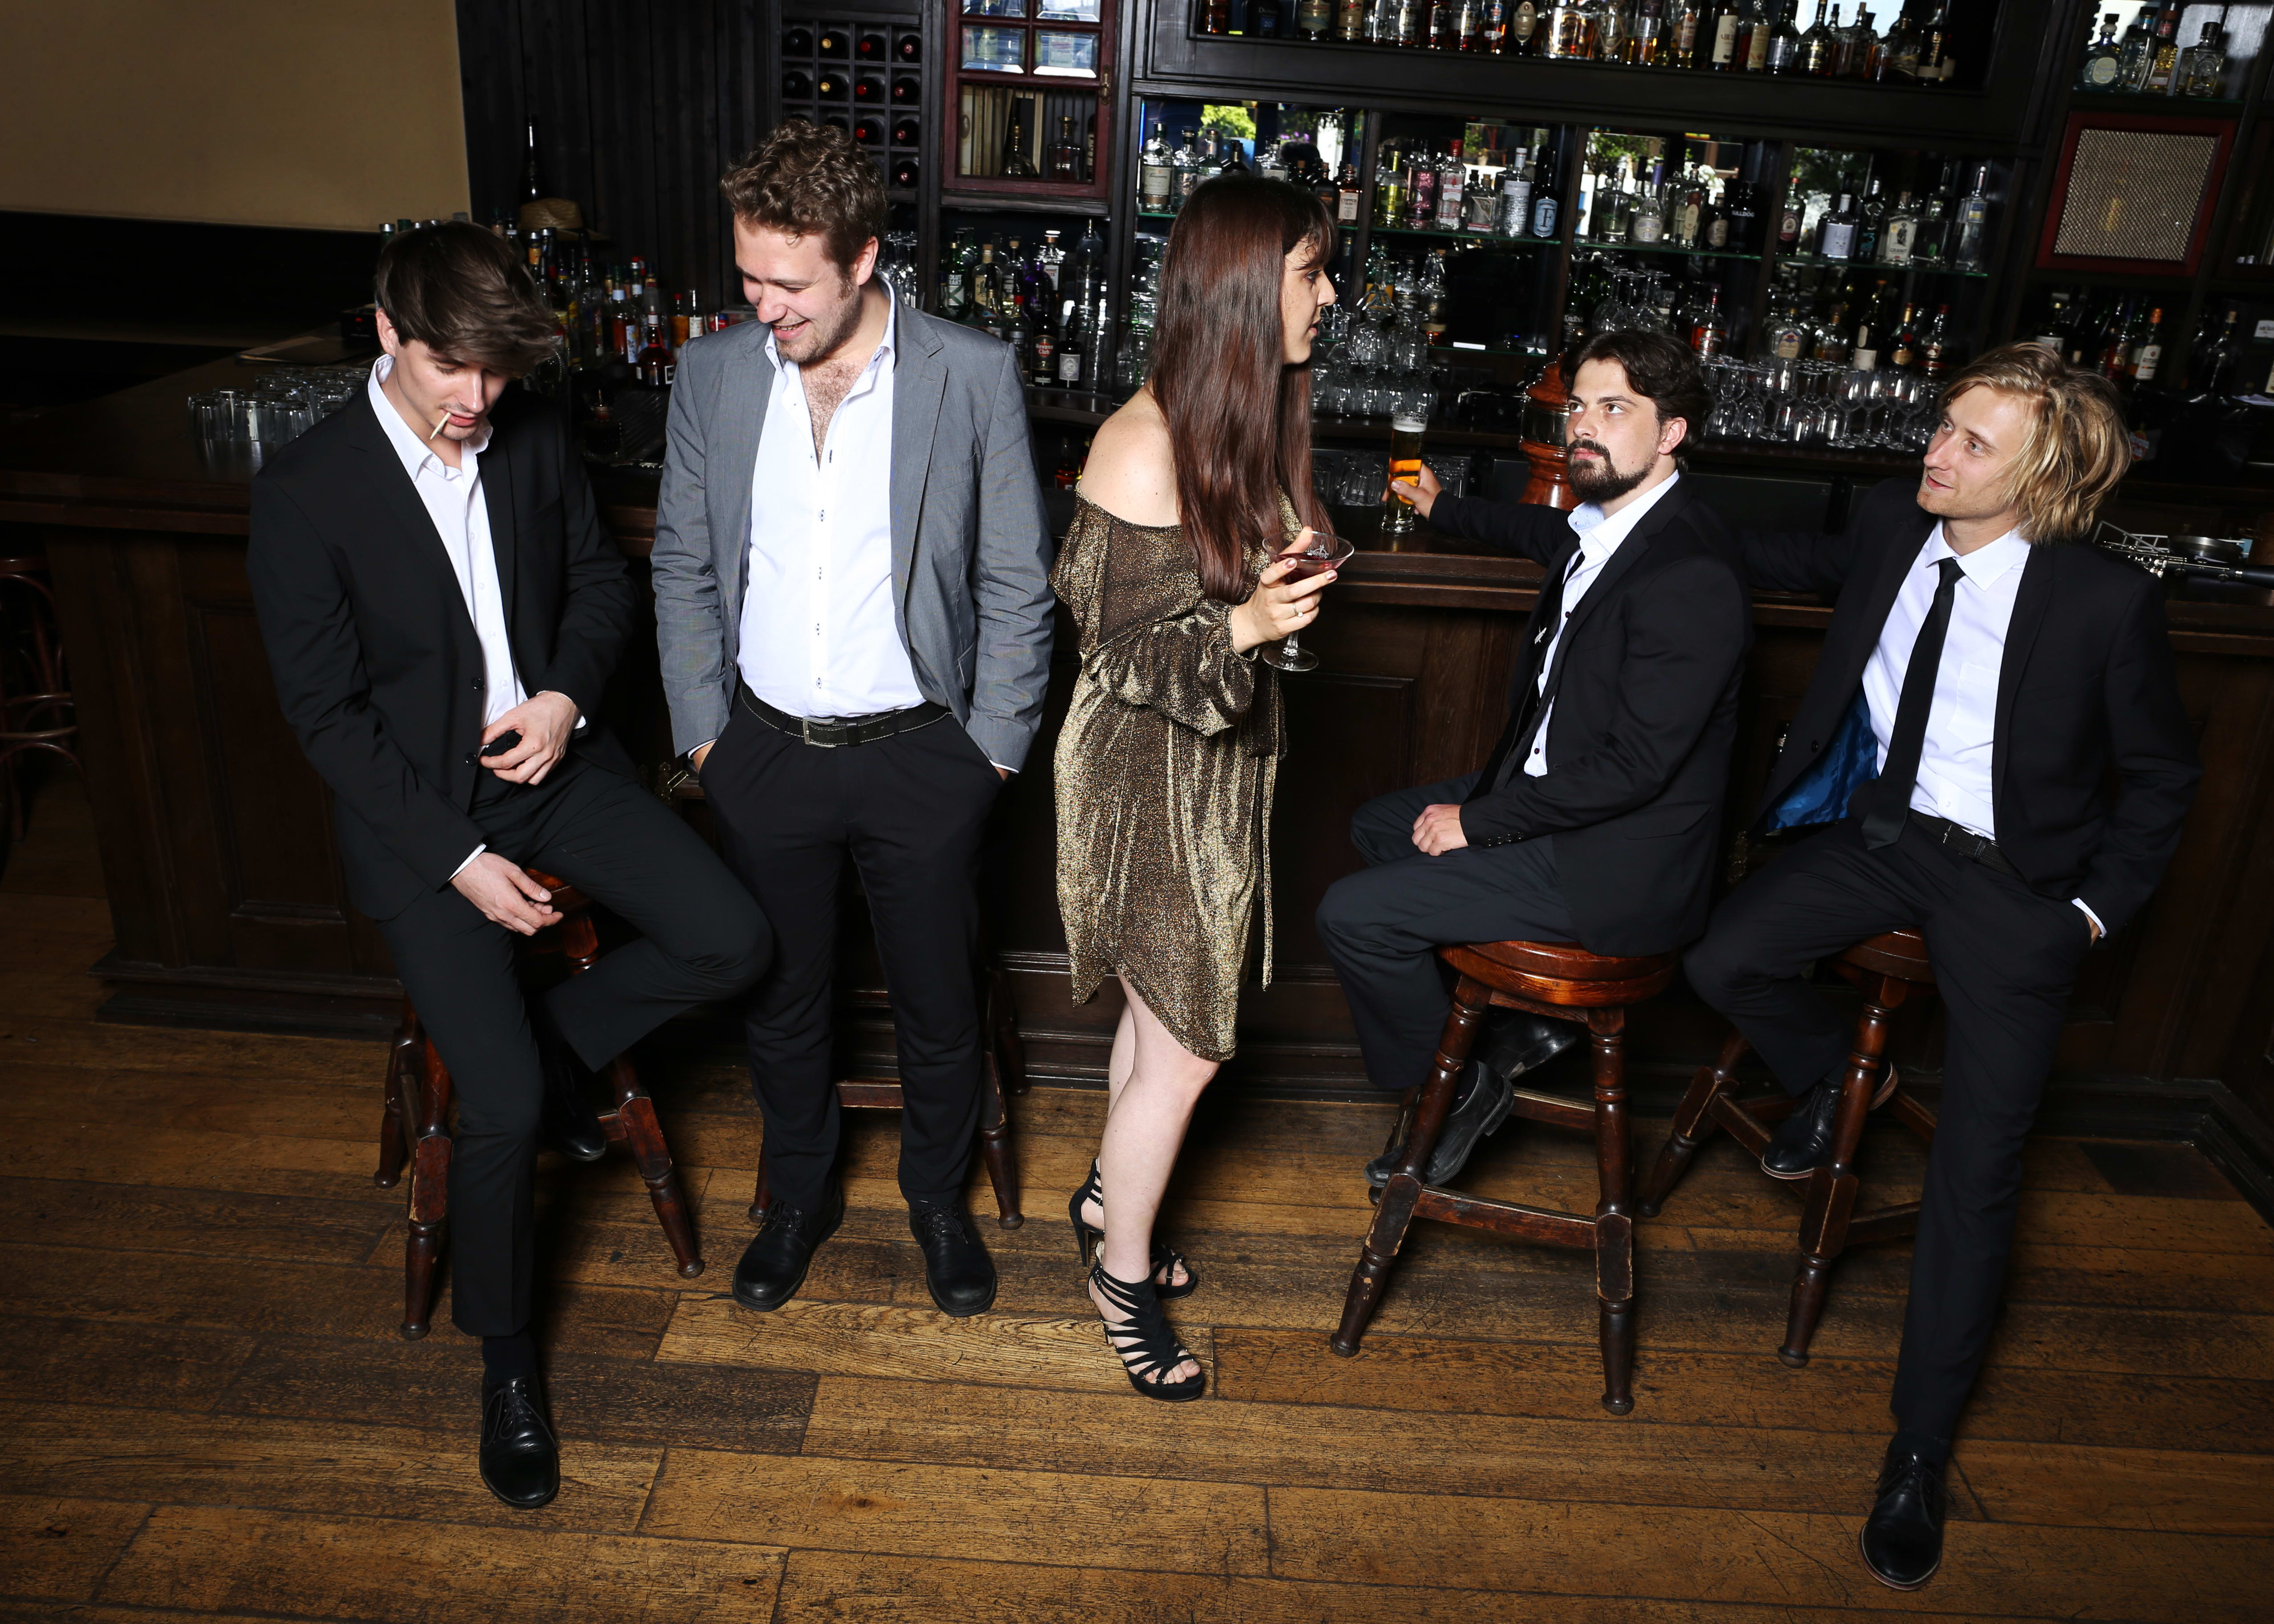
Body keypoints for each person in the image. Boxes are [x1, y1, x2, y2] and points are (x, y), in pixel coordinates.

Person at [247, 223, 771, 1510]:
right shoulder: (308, 490)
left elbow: (600, 586)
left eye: (495, 369)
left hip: (552, 769)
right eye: (450, 367)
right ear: (388, 333)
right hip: (419, 818)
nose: (476, 397)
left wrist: (561, 698)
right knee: (497, 1108)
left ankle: (548, 1057)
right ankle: (508, 1366)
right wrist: (460, 858)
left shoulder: (529, 436)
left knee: (733, 939)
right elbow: (327, 722)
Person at [1681, 343, 2199, 1592]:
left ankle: (1916, 1451)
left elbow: (2162, 778)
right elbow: (1742, 551)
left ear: (2043, 477)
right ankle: (1832, 1080)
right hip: (1882, 839)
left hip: (2016, 888)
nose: (1937, 452)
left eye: (1973, 443)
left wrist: (2086, 916)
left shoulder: (2101, 603)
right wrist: (1601, 499)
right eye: (1942, 426)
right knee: (1723, 956)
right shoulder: (1886, 523)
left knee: (1975, 1174)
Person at [650, 121, 1054, 1325]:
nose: (763, 306)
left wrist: (991, 752)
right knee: (781, 1000)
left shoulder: (969, 373)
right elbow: (683, 566)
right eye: (748, 278)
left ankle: (936, 1201)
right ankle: (797, 1200)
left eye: (789, 284)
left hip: (925, 753)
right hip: (762, 750)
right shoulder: (713, 375)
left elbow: (1015, 581)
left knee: (938, 1003)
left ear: (864, 259)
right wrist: (706, 738)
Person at [1316, 330, 1750, 1187]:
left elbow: (1633, 771)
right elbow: (1538, 529)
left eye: (1615, 409)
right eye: (1579, 406)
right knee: (1381, 825)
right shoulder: (1611, 526)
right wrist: (1442, 507)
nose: (1583, 426)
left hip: (1616, 864)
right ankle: (1503, 1033)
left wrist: (1480, 822)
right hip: (1562, 807)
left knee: (1352, 916)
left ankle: (1454, 1087)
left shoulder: (1690, 573)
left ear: (1672, 433)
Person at [1054, 174, 1339, 1401]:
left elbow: (1221, 602)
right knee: (1185, 1053)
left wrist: (1280, 594)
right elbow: (1116, 656)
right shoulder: (1141, 442)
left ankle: (1105, 1198)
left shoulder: (1239, 421)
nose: (1327, 297)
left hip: (1211, 779)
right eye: (1310, 273)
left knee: (1155, 1024)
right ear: (1238, 287)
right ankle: (1119, 1277)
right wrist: (1248, 627)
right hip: (1141, 784)